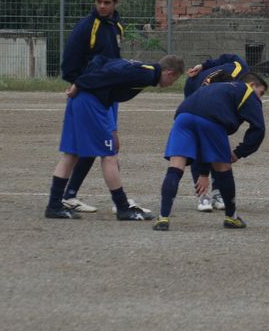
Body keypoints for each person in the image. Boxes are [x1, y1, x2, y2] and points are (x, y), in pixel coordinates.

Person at [43, 54, 185, 220]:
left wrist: (80, 84)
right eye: (174, 80)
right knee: (109, 155)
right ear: (170, 73)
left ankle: (54, 205)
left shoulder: (142, 68)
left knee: (71, 154)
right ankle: (122, 208)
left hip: (82, 100)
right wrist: (79, 83)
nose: (171, 84)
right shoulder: (145, 74)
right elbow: (109, 74)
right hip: (91, 103)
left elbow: (100, 60)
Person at [153, 72, 269, 232]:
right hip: (212, 120)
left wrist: (203, 173)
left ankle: (162, 217)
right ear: (252, 85)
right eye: (261, 93)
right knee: (223, 168)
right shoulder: (247, 90)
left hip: (183, 116)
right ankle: (231, 217)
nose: (259, 99)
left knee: (175, 167)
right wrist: (239, 152)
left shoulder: (214, 87)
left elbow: (201, 138)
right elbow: (259, 128)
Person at [58, 0, 132, 215]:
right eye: (99, 1)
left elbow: (113, 63)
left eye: (107, 2)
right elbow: (68, 65)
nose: (101, 6)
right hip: (92, 97)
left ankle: (69, 195)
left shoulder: (116, 27)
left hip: (109, 96)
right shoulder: (87, 27)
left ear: (115, 3)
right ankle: (119, 202)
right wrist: (80, 83)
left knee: (96, 146)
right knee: (106, 146)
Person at [183, 53, 249, 212]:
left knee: (218, 142)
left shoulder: (241, 72)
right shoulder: (198, 85)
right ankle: (202, 195)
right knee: (199, 144)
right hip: (195, 96)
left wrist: (203, 65)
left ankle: (218, 191)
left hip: (215, 105)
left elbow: (229, 57)